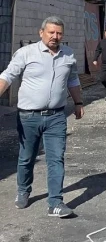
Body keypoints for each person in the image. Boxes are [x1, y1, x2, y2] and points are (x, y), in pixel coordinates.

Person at [0, 16, 84, 218]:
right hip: (28, 117)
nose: (55, 37)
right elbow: (7, 76)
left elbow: (72, 79)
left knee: (56, 159)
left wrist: (79, 103)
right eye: (51, 32)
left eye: (59, 33)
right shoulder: (26, 53)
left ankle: (55, 202)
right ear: (41, 33)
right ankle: (23, 190)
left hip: (56, 116)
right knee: (26, 157)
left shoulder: (68, 54)